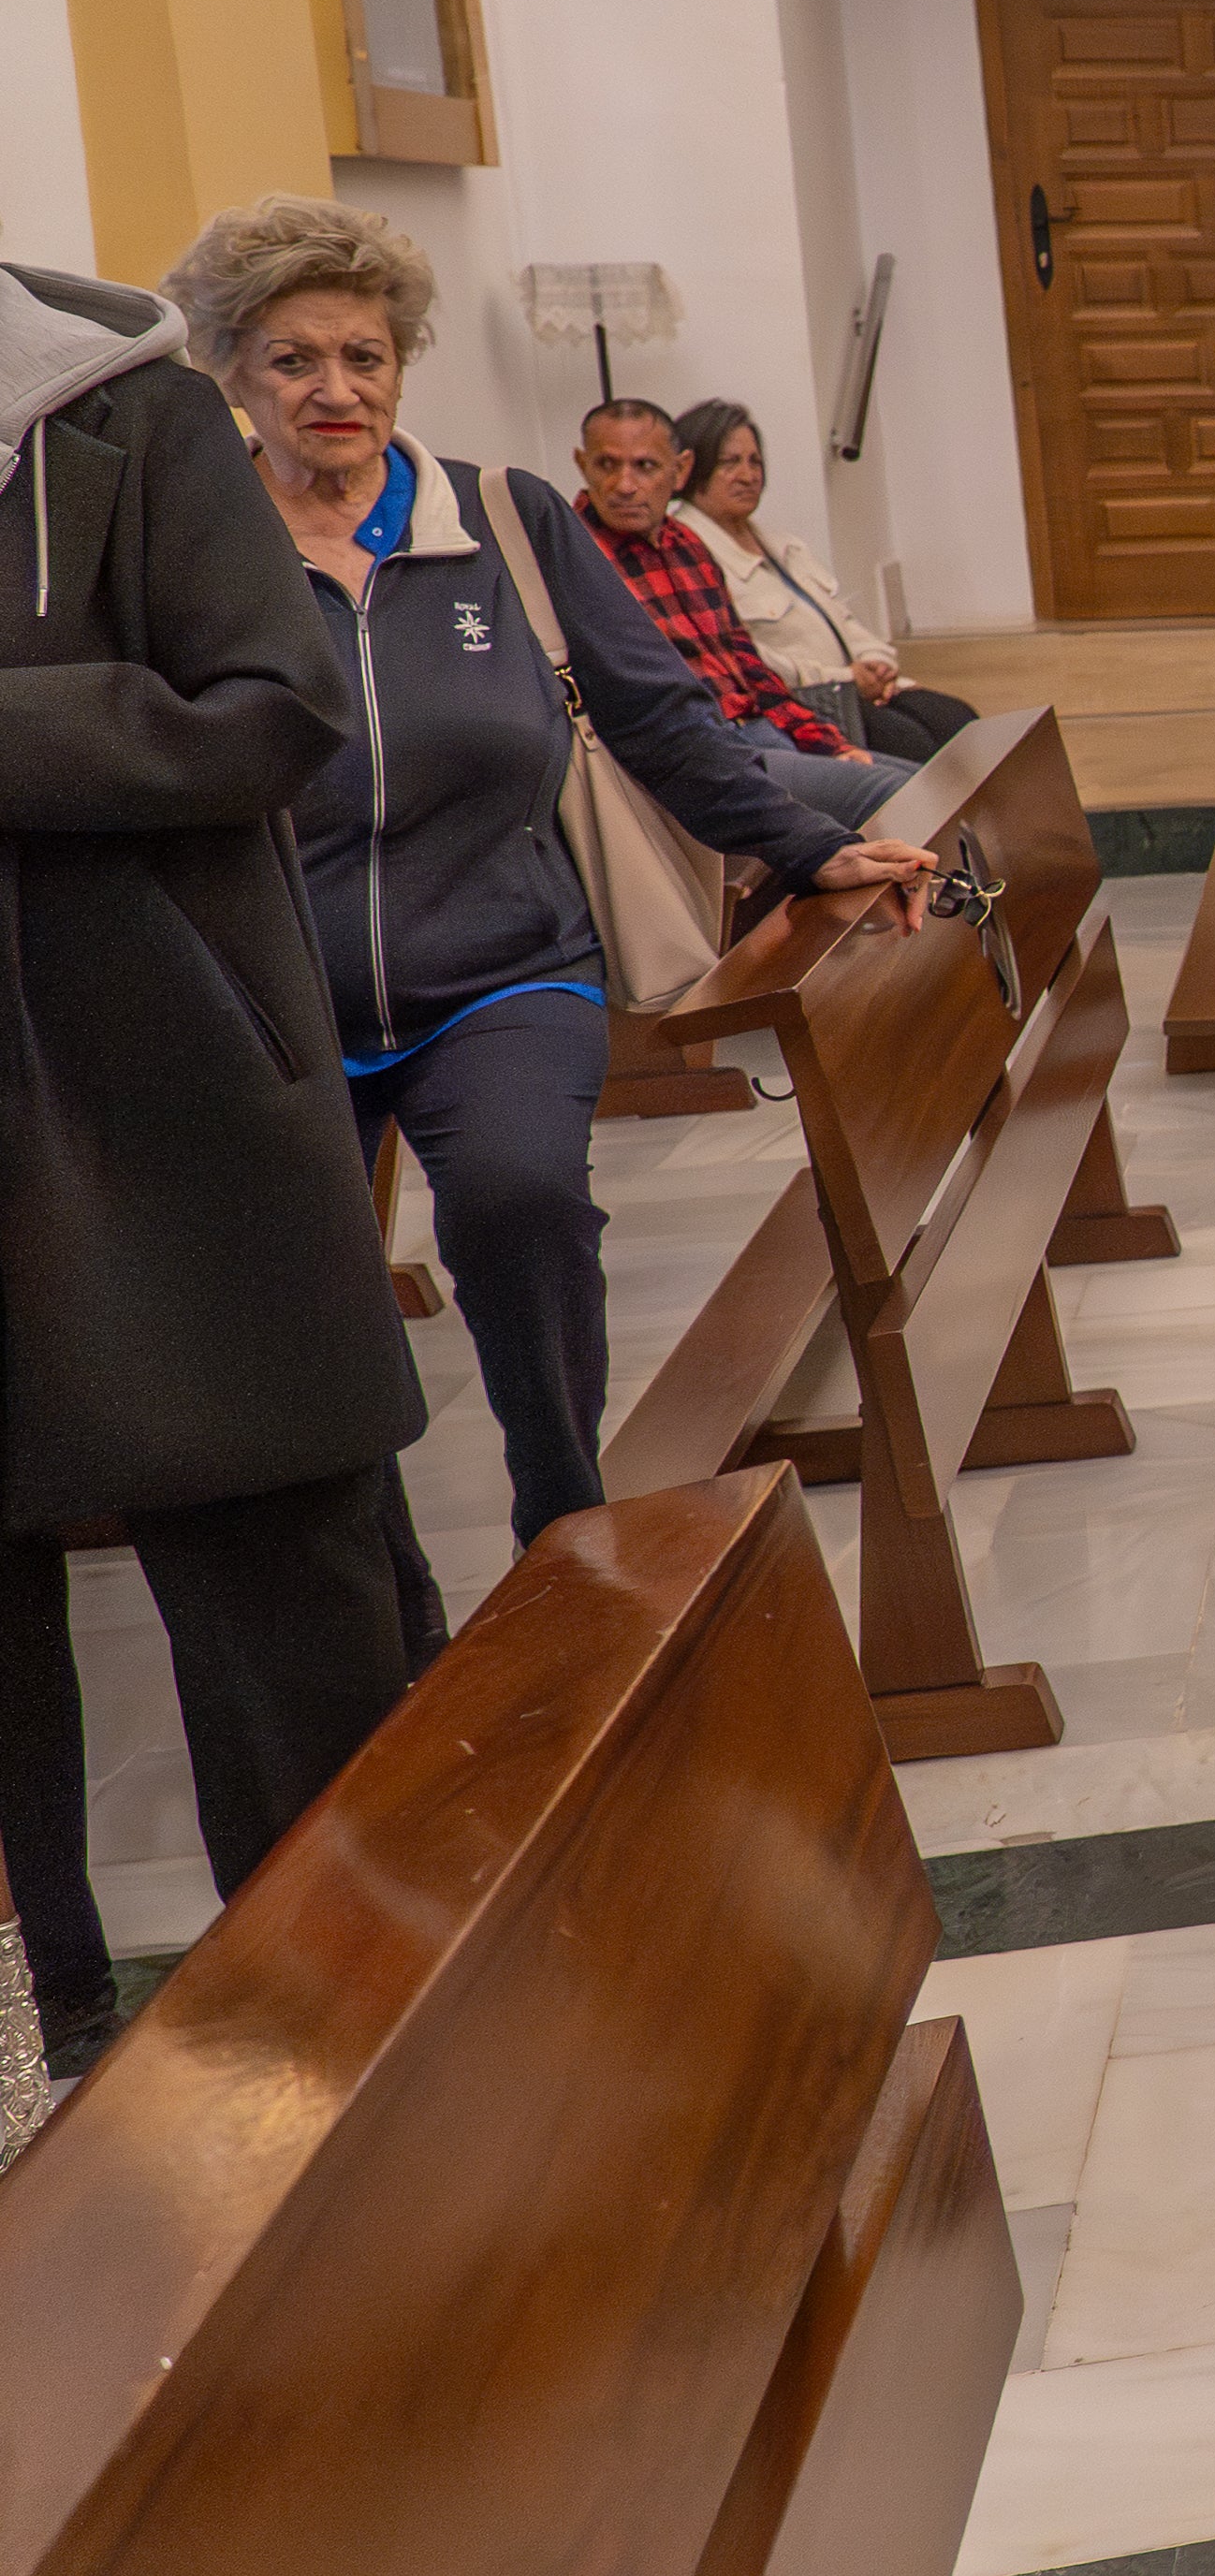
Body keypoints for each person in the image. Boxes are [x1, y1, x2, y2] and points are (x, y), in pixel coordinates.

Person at [178, 196, 934, 1627]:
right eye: (291, 361)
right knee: (306, 1296)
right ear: (232, 374)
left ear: (403, 366)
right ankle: (377, 1589)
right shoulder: (191, 546)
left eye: (363, 355)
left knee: (525, 1199)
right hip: (274, 986)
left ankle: (559, 1505)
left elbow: (661, 718)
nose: (334, 389)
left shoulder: (507, 524)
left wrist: (800, 847)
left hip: (506, 963)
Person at [0, 256, 429, 2085]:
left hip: (160, 1108)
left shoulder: (121, 408)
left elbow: (274, 705)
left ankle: (363, 2029)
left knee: (287, 1616)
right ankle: (51, 2042)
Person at [570, 398, 912, 812]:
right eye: (607, 465)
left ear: (680, 470)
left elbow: (751, 667)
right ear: (582, 464)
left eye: (645, 467)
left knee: (927, 782)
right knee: (890, 795)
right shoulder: (576, 556)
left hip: (761, 733)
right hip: (703, 759)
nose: (624, 485)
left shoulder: (688, 545)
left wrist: (828, 744)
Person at [667, 396, 975, 760]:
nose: (748, 476)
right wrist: (844, 676)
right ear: (691, 468)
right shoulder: (686, 553)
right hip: (805, 699)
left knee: (963, 724)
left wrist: (877, 662)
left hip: (856, 687)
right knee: (914, 748)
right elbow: (747, 659)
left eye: (755, 462)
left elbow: (842, 618)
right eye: (730, 463)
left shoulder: (784, 546)